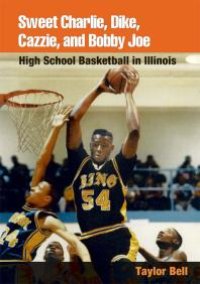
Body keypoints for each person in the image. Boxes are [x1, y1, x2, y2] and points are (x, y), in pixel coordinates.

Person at [66, 66, 140, 283]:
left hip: (116, 236)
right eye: (96, 144)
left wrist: (128, 94)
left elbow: (134, 132)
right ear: (89, 145)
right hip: (88, 240)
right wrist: (98, 89)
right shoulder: (80, 163)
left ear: (111, 148)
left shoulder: (119, 165)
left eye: (104, 145)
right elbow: (73, 119)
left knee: (122, 274)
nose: (99, 148)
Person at [0, 106, 91, 263]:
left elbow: (75, 242)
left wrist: (88, 267)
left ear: (46, 200)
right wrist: (55, 128)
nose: (33, 187)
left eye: (38, 188)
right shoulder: (26, 209)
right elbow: (41, 162)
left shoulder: (45, 220)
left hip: (15, 268)